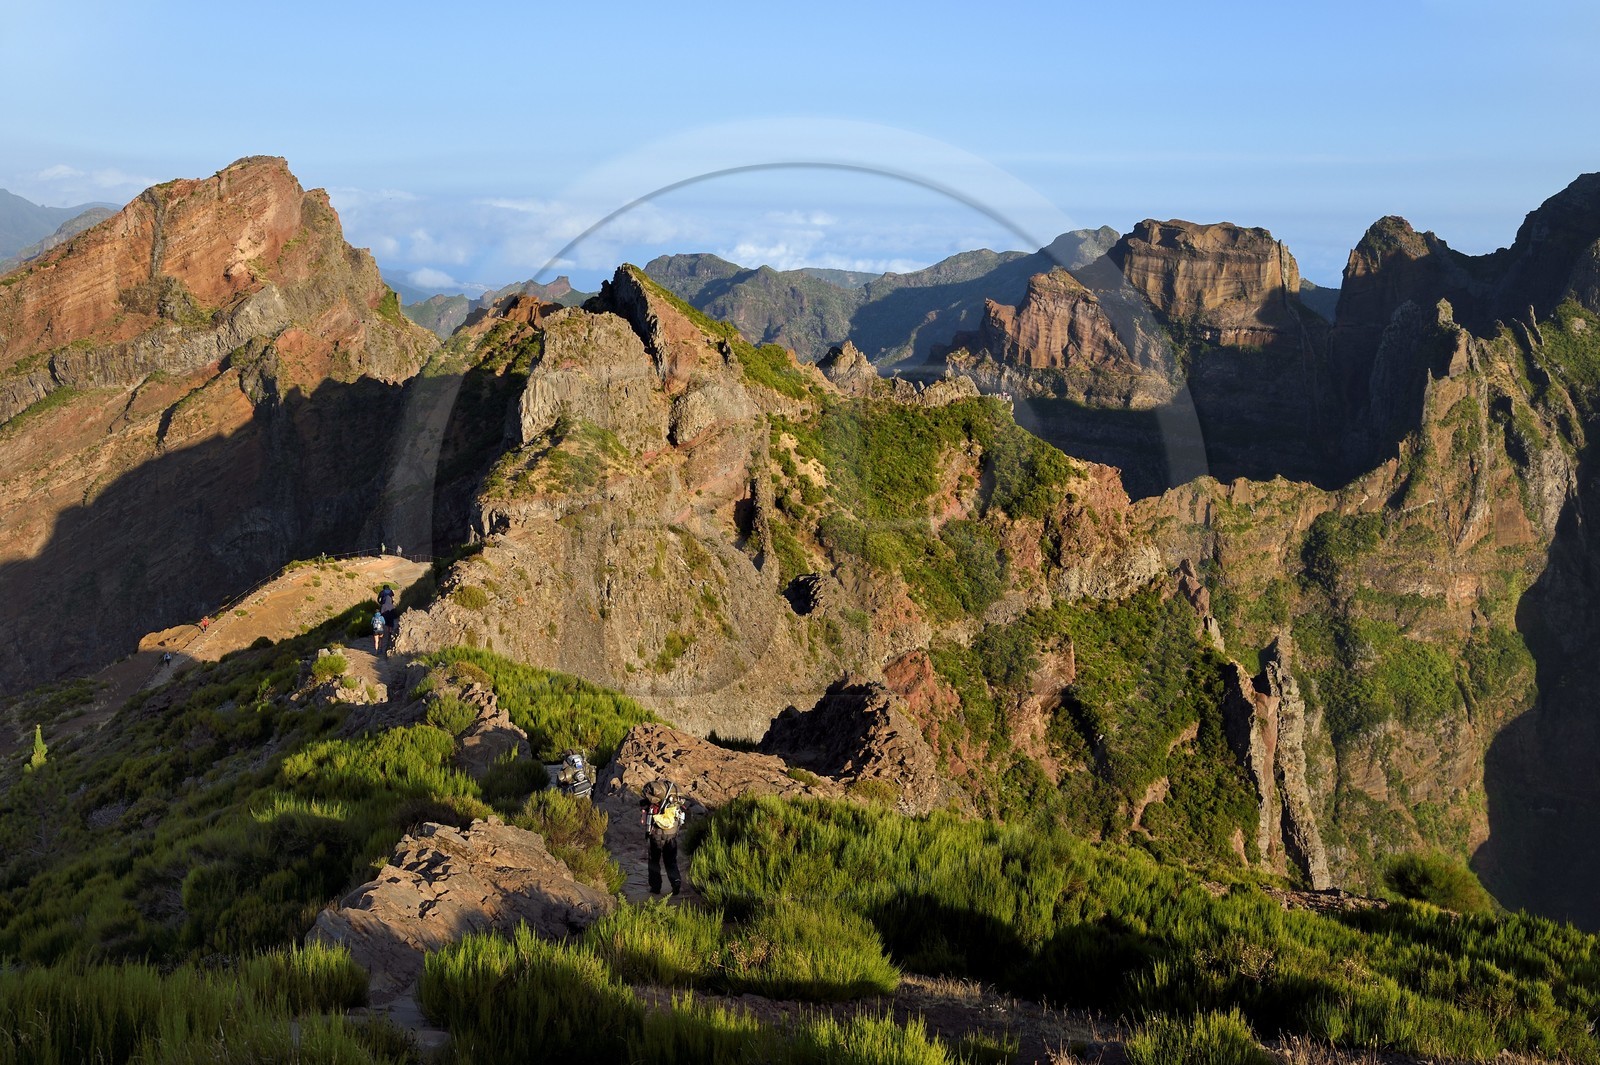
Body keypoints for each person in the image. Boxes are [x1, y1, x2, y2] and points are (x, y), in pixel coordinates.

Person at [639, 778, 686, 896]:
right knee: (671, 860)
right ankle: (676, 882)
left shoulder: (651, 803)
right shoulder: (674, 798)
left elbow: (643, 821)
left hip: (656, 834)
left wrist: (645, 815)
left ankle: (655, 888)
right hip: (672, 833)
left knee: (654, 861)